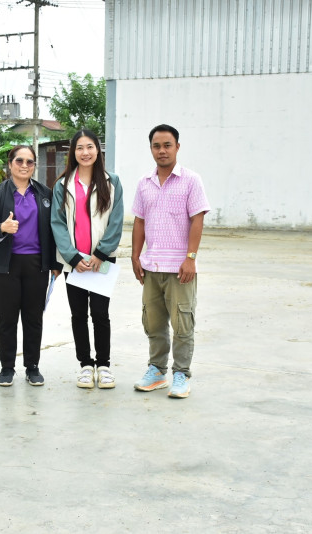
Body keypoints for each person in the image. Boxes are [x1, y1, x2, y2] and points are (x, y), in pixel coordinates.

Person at [130, 124, 210, 399]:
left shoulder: (191, 180)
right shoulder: (144, 183)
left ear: (177, 147)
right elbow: (139, 221)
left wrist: (191, 258)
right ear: (151, 149)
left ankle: (181, 374)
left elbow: (197, 219)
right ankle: (156, 371)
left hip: (180, 268)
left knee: (182, 323)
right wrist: (135, 255)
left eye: (167, 145)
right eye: (156, 146)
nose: (162, 150)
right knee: (153, 323)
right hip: (151, 266)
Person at [0, 145, 61, 387]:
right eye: (19, 161)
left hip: (36, 264)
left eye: (30, 162)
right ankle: (7, 367)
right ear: (10, 164)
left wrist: (54, 262)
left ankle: (32, 366)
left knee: (33, 318)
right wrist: (2, 228)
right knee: (7, 319)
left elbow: (55, 230)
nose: (24, 166)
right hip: (6, 264)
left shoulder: (44, 193)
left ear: (34, 165)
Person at [50, 129, 124, 389]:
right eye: (80, 148)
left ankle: (103, 365)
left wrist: (101, 254)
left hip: (102, 261)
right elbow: (57, 223)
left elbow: (116, 220)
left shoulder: (112, 182)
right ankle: (85, 365)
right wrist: (71, 256)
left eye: (90, 147)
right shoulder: (62, 185)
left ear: (97, 150)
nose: (85, 152)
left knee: (101, 314)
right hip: (74, 263)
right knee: (78, 314)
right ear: (73, 152)